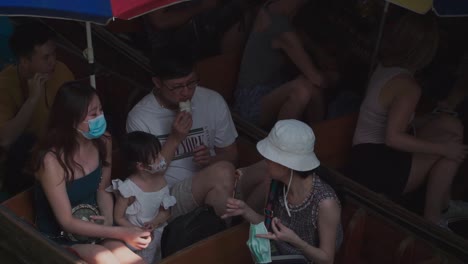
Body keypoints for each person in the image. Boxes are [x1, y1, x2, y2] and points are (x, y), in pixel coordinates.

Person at [349, 13, 468, 226]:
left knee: (450, 124)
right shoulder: (408, 86)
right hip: (378, 170)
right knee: (451, 147)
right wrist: (443, 149)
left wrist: (429, 120)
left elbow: (387, 119)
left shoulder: (385, 66)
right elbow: (393, 138)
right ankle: (433, 218)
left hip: (364, 157)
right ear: (424, 50)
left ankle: (445, 202)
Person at [34, 82, 151, 264]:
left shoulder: (103, 141)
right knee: (104, 259)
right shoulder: (51, 161)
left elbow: (102, 189)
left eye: (101, 111)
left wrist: (107, 221)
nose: (100, 118)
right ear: (71, 120)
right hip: (61, 237)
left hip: (96, 228)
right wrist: (121, 232)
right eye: (93, 114)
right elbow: (66, 221)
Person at [126, 51, 238, 219]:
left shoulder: (212, 100)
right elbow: (147, 178)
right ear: (157, 83)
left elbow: (232, 154)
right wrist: (175, 138)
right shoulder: (141, 117)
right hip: (169, 196)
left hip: (217, 182)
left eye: (191, 83)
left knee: (266, 170)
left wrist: (210, 159)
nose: (186, 92)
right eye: (177, 87)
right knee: (222, 173)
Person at [222, 119, 342, 263]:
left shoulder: (325, 203)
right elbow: (270, 225)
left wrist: (296, 241)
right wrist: (245, 210)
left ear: (286, 164)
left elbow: (327, 260)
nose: (265, 159)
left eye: (270, 156)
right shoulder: (275, 185)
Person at [0, 22, 74, 195]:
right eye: (46, 57)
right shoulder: (4, 85)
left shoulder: (61, 71)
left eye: (54, 53)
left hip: (59, 151)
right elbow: (5, 139)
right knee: (25, 142)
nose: (53, 62)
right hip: (23, 164)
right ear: (25, 62)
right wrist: (32, 99)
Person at [233, 0, 330, 129]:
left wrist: (319, 52)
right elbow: (316, 78)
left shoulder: (272, 8)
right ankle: (280, 146)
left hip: (272, 89)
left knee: (312, 89)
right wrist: (336, 79)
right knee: (301, 89)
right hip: (249, 102)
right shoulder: (278, 26)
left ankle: (315, 140)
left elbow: (300, 36)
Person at [109, 131, 176, 263]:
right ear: (141, 166)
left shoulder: (162, 181)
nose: (161, 158)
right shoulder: (128, 188)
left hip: (156, 235)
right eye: (156, 156)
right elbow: (118, 217)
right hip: (134, 239)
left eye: (159, 153)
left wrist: (154, 223)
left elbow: (166, 212)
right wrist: (135, 230)